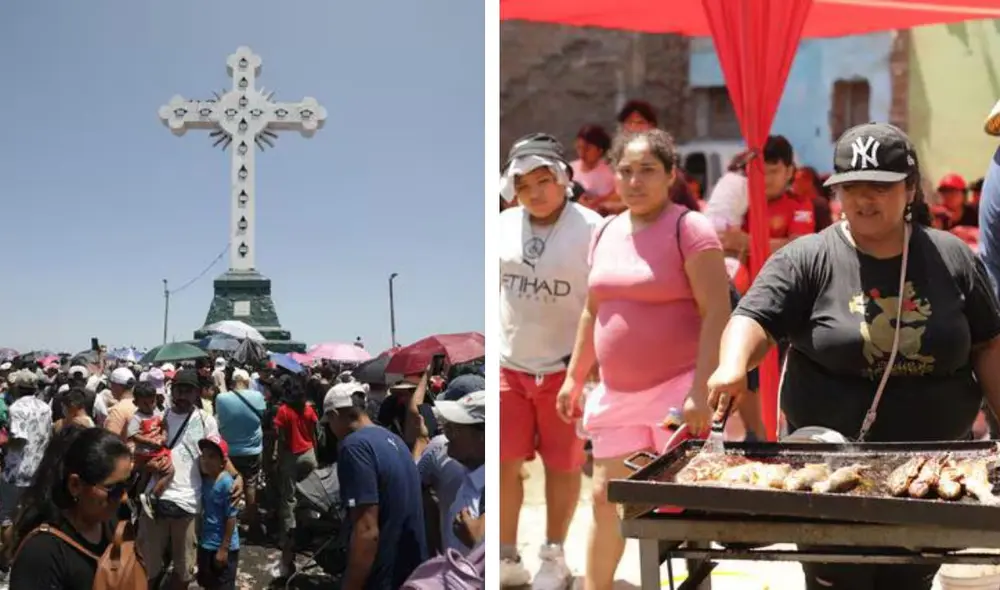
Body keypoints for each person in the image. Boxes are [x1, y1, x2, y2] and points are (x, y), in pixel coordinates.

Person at [707, 122, 1000, 590]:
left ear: (909, 189)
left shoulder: (952, 258)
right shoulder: (807, 258)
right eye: (852, 187)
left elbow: (989, 344)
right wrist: (732, 365)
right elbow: (753, 318)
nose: (865, 199)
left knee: (910, 583)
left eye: (881, 187)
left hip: (932, 478)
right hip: (828, 478)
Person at [556, 127, 737, 590]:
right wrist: (574, 377)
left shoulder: (690, 229)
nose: (635, 181)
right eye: (626, 171)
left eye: (648, 170)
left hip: (677, 394)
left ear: (671, 174)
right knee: (604, 498)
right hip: (617, 396)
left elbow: (717, 311)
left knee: (683, 506)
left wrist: (700, 389)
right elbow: (592, 310)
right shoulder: (605, 231)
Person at [498, 132, 603, 588]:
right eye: (523, 185)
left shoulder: (594, 229)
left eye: (543, 181)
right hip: (510, 366)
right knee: (503, 463)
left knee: (563, 466)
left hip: (567, 369)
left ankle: (554, 555)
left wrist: (589, 366)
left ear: (563, 179)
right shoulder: (502, 226)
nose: (534, 193)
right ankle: (506, 555)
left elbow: (603, 301)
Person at [322, 381, 427, 589]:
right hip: (413, 568)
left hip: (385, 574)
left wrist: (350, 585)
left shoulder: (354, 447)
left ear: (334, 415)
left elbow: (367, 530)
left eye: (328, 422)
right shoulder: (393, 439)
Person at [9, 426, 133, 590]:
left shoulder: (112, 525)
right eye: (114, 489)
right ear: (75, 485)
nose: (123, 497)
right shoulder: (42, 553)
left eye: (127, 484)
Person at [271, 375, 318, 576]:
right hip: (309, 453)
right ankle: (310, 531)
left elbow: (281, 437)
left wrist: (279, 459)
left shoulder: (283, 410)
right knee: (310, 496)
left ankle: (288, 537)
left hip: (291, 454)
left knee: (289, 498)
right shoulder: (308, 409)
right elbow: (314, 434)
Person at [432, 390, 486, 554]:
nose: (447, 436)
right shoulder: (470, 478)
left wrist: (477, 544)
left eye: (455, 429)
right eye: (447, 428)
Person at [214, 368, 265, 532]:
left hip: (230, 451)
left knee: (230, 486)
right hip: (253, 450)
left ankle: (230, 523)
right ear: (247, 381)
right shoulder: (257, 396)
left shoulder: (221, 398)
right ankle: (253, 522)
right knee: (251, 484)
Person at [196, 434, 240, 590]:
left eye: (212, 456)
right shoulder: (205, 480)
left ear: (223, 462)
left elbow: (231, 517)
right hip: (206, 544)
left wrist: (224, 548)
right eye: (204, 456)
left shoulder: (226, 483)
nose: (206, 460)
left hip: (222, 546)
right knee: (208, 583)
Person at [127, 381, 172, 518]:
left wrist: (164, 436)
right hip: (145, 453)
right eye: (145, 403)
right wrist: (150, 442)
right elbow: (133, 435)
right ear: (136, 403)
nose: (150, 406)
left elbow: (164, 425)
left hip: (156, 449)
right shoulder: (137, 417)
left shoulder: (157, 412)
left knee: (148, 475)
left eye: (152, 402)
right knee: (169, 470)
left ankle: (140, 498)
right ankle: (151, 496)